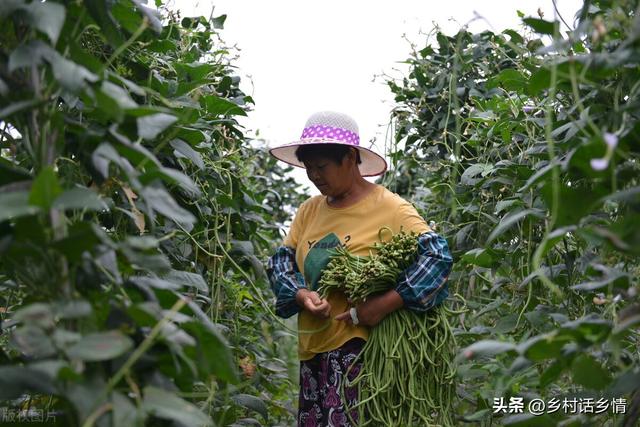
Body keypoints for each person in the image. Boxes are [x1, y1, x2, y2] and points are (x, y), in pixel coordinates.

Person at [266, 111, 453, 427]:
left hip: (361, 354)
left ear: (350, 158)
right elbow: (281, 262)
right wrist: (301, 294)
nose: (314, 175)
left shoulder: (390, 208)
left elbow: (437, 257)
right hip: (313, 352)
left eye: (322, 166)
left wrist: (383, 304)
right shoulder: (308, 211)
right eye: (309, 168)